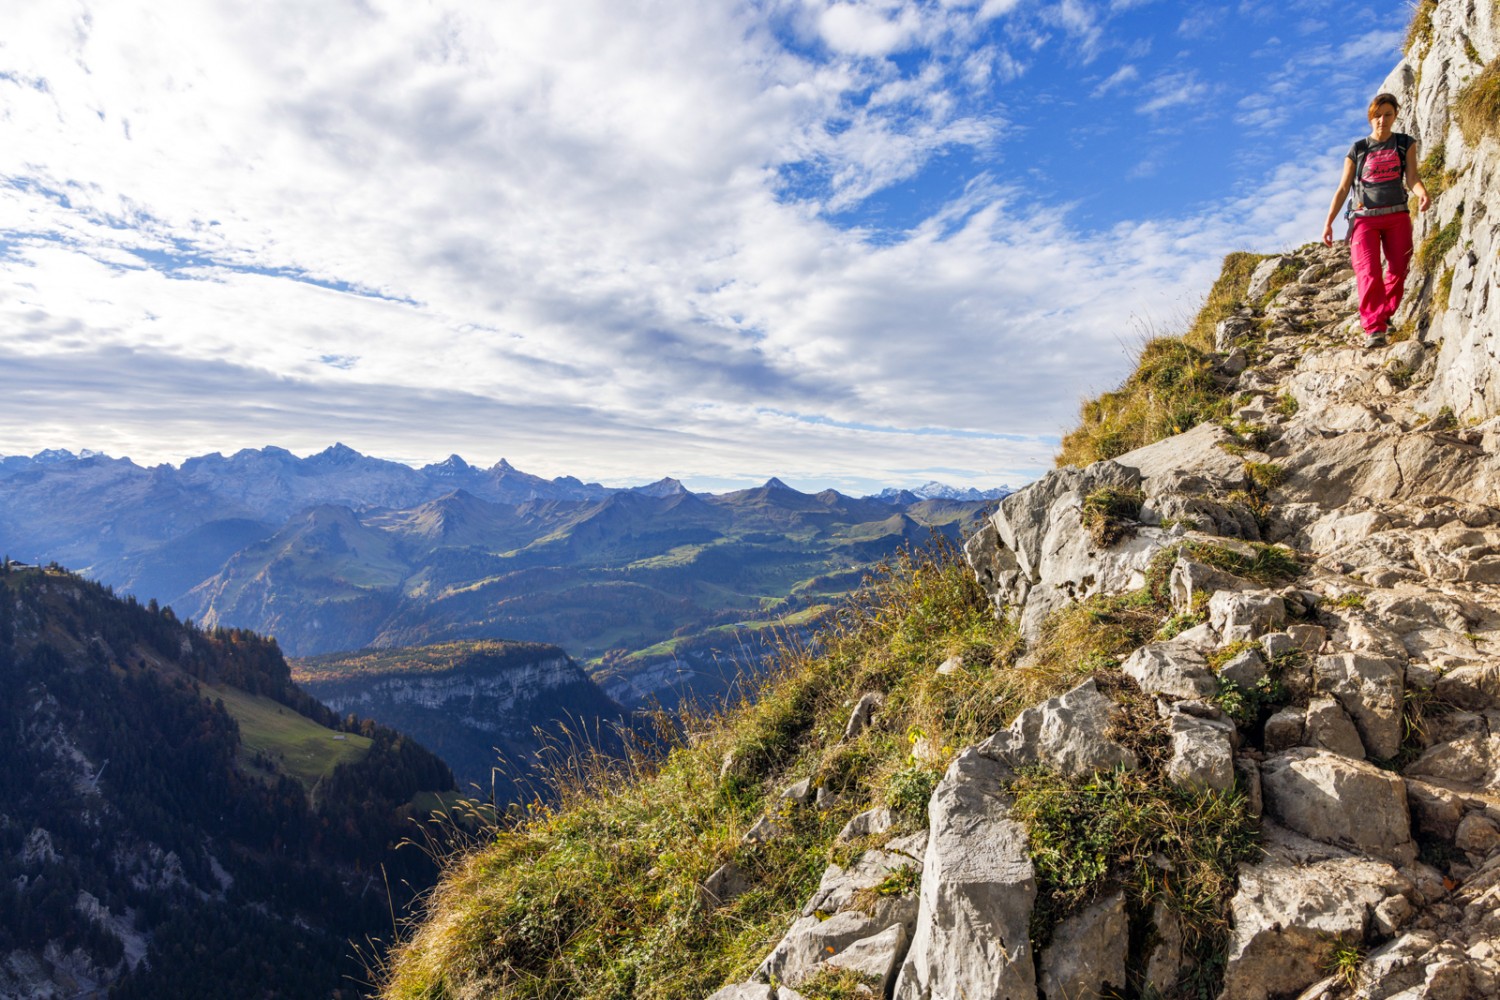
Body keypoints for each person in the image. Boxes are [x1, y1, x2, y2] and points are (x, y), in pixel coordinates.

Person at [1320, 92, 1431, 348]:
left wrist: (1422, 194)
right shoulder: (1358, 149)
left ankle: (1384, 312)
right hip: (1363, 220)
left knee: (1398, 270)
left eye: (1387, 115)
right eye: (1377, 116)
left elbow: (1411, 178)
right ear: (1371, 118)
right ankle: (1374, 328)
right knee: (1368, 272)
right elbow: (1342, 188)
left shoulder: (1405, 143)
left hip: (1397, 216)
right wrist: (1329, 223)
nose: (1382, 120)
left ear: (1395, 116)